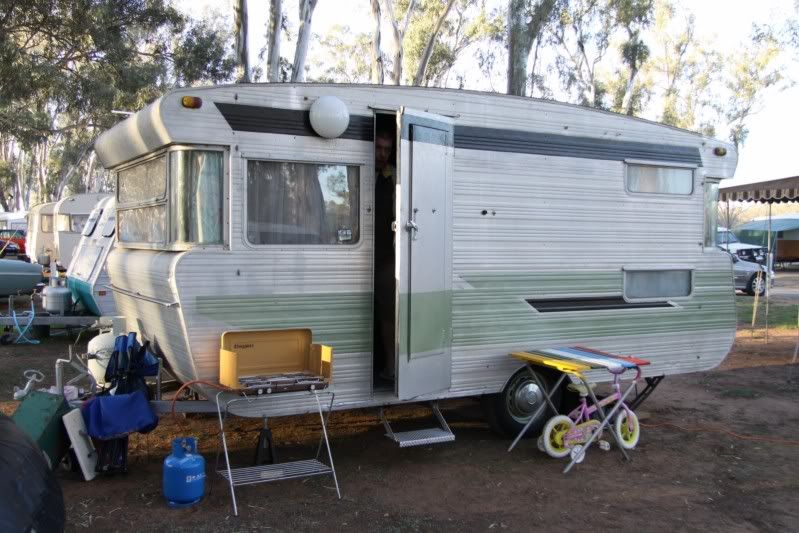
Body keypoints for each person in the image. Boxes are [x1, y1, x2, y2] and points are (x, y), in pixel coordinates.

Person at [374, 127, 396, 381]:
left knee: (388, 315)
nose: (382, 154)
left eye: (387, 150)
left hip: (386, 258)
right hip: (361, 255)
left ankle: (390, 367)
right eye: (378, 148)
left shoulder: (393, 177)